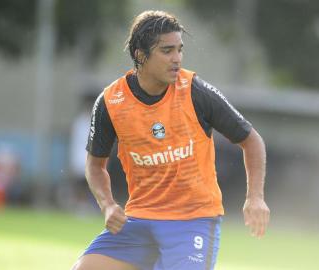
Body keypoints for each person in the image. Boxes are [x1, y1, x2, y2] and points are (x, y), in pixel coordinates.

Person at [72, 10, 270, 270]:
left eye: (179, 49)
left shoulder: (195, 91)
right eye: (167, 51)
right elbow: (95, 165)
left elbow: (252, 140)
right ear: (141, 56)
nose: (177, 58)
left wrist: (254, 197)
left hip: (193, 221)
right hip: (139, 221)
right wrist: (108, 205)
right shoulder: (111, 102)